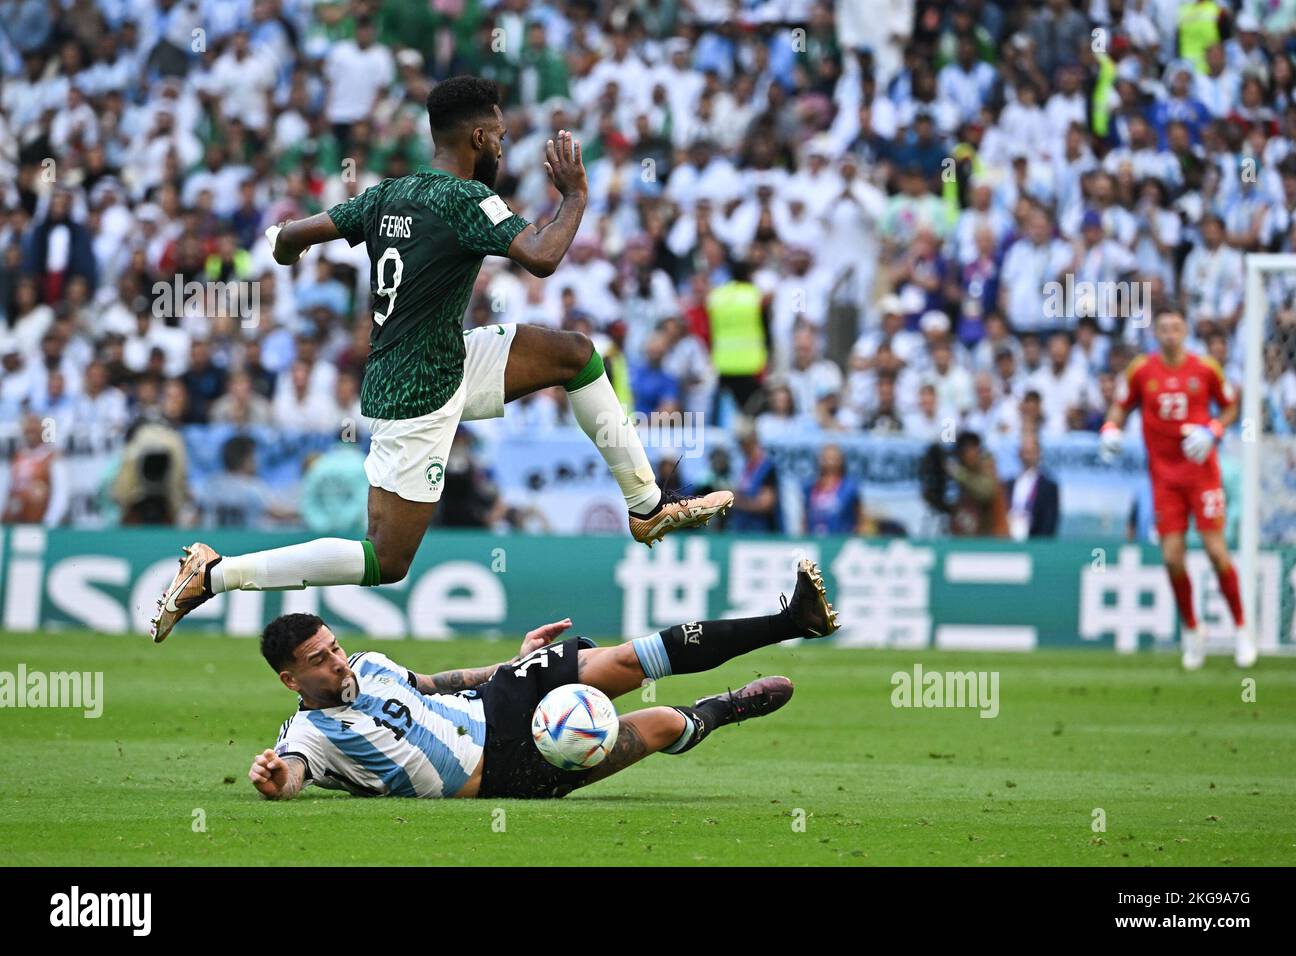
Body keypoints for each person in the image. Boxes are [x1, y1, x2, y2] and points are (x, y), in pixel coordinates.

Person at [150, 77, 730, 642]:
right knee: (386, 559)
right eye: (499, 134)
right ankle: (215, 575)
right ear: (478, 138)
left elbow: (292, 236)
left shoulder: (386, 194)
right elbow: (543, 256)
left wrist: (285, 243)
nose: (503, 145)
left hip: (441, 360)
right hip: (417, 396)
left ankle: (647, 506)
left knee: (575, 355)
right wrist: (576, 195)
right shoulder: (466, 198)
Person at [247, 561, 840, 801]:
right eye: (320, 660)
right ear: (289, 678)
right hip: (502, 772)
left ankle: (791, 620)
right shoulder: (309, 735)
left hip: (494, 701)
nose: (338, 662)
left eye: (336, 646)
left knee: (628, 660)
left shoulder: (371, 664)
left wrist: (509, 663)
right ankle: (720, 710)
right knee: (659, 725)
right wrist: (278, 781)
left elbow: (432, 684)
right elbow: (296, 773)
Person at [1100, 309, 1252, 669]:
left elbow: (1231, 406)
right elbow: (1119, 407)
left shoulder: (1205, 369)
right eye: (1164, 328)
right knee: (1171, 557)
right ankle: (1193, 630)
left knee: (1216, 551)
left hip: (1201, 473)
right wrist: (1109, 428)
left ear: (1185, 331)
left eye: (1176, 328)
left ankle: (1242, 629)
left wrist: (1212, 430)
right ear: (1156, 332)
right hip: (1164, 477)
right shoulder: (1141, 370)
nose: (1170, 334)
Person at [1004, 432, 1059, 539]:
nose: (1027, 456)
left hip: (1034, 540)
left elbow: (1049, 521)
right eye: (1025, 452)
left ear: (1039, 454)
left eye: (1031, 452)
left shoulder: (1048, 486)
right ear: (1019, 454)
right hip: (1008, 538)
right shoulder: (1009, 484)